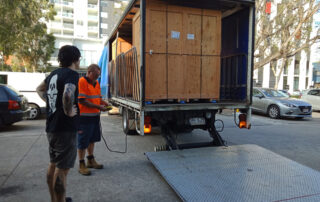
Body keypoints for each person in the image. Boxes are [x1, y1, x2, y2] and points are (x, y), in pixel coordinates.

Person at [37, 45, 81, 202]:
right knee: (62, 170)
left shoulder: (52, 74)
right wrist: (68, 111)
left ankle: (54, 199)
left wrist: (50, 102)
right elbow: (68, 95)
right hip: (65, 128)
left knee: (53, 164)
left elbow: (39, 88)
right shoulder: (71, 74)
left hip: (52, 127)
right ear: (76, 59)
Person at [77, 64, 109, 176]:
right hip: (84, 118)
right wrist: (98, 107)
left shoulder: (96, 83)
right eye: (95, 75)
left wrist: (105, 104)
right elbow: (82, 100)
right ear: (89, 72)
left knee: (92, 139)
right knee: (82, 142)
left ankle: (90, 160)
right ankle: (81, 164)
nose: (97, 77)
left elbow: (98, 99)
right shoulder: (82, 81)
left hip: (95, 117)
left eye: (98, 75)